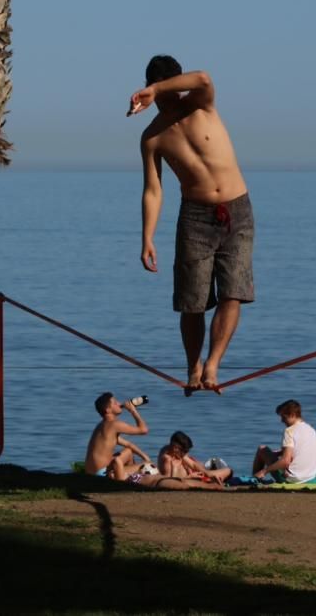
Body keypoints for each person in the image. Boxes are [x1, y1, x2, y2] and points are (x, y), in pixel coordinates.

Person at [128, 55, 255, 394]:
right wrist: (147, 238)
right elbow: (153, 190)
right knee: (192, 302)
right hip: (195, 217)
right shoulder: (152, 136)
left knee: (234, 292)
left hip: (237, 209)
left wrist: (154, 89)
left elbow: (203, 77)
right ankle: (193, 365)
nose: (168, 100)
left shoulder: (201, 105)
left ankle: (213, 364)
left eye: (170, 90)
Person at [83, 392, 150, 477]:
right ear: (108, 410)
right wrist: (133, 410)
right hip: (102, 473)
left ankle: (127, 478)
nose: (119, 403)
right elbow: (144, 430)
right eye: (115, 403)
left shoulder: (102, 425)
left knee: (128, 452)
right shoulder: (114, 424)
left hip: (91, 472)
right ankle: (126, 478)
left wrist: (144, 456)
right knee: (148, 466)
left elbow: (129, 445)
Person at [252, 399, 316, 484]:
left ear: (292, 415)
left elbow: (285, 461)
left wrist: (264, 471)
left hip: (293, 479)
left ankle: (255, 480)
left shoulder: (289, 431)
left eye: (284, 417)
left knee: (262, 449)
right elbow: (302, 450)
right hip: (311, 479)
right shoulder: (311, 430)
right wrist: (281, 452)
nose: (282, 421)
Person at [157, 430, 233, 483]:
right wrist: (190, 477)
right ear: (175, 447)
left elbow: (193, 464)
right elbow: (168, 482)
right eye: (185, 451)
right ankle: (215, 479)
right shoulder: (167, 459)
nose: (185, 453)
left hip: (194, 475)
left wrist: (207, 473)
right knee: (228, 471)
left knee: (225, 470)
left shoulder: (172, 451)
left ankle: (214, 475)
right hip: (191, 479)